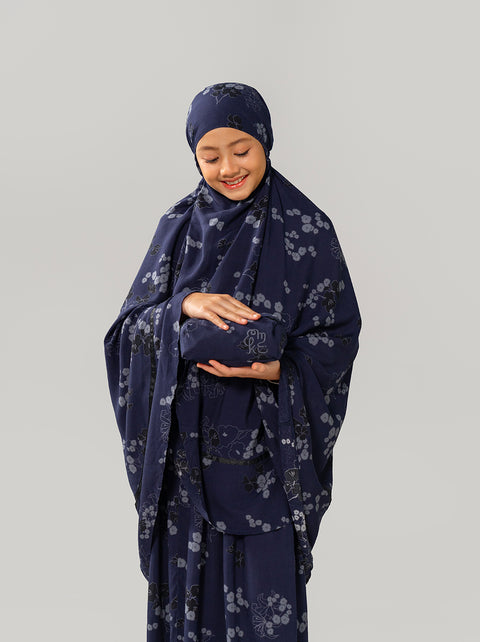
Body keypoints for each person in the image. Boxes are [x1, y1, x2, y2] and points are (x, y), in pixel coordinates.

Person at [104, 82, 361, 642]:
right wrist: (183, 306)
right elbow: (125, 335)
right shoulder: (178, 228)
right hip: (183, 476)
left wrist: (279, 369)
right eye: (210, 156)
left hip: (265, 470)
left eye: (241, 150)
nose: (228, 168)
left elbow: (338, 337)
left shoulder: (308, 229)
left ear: (265, 140)